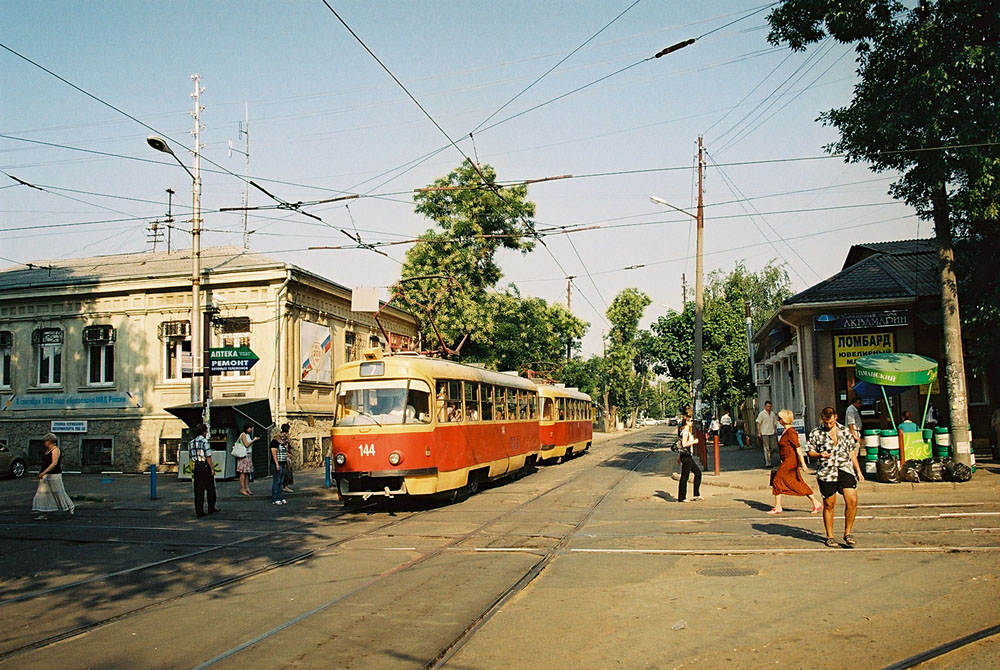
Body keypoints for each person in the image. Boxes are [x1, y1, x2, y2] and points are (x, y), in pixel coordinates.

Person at [806, 406, 863, 548]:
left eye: (830, 422)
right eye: (826, 423)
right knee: (829, 504)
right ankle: (830, 536)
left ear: (835, 417)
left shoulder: (844, 431)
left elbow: (851, 452)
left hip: (845, 469)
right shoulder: (816, 433)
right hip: (827, 472)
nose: (828, 425)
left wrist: (858, 471)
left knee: (852, 500)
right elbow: (809, 451)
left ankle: (848, 532)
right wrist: (819, 455)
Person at [768, 410, 821, 515]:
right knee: (795, 481)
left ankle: (778, 507)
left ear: (783, 420)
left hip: (791, 461)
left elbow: (798, 448)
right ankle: (816, 502)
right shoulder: (785, 431)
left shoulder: (791, 432)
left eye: (780, 418)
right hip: (786, 460)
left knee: (777, 479)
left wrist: (804, 464)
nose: (778, 420)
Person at [32, 433, 75, 520]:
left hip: (54, 474)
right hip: (45, 475)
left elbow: (54, 463)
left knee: (58, 492)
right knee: (43, 494)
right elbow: (45, 463)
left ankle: (70, 508)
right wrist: (40, 472)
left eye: (46, 441)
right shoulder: (47, 451)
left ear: (50, 441)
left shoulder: (56, 450)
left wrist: (44, 472)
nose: (45, 443)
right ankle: (43, 513)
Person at [189, 423, 219, 517]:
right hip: (205, 465)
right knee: (210, 488)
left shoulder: (192, 442)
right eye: (206, 431)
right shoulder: (204, 442)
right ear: (204, 432)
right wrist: (212, 469)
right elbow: (208, 456)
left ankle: (199, 510)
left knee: (198, 490)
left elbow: (191, 456)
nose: (206, 433)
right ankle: (211, 507)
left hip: (197, 466)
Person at [675, 416, 703, 503]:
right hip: (686, 457)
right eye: (691, 421)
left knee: (697, 473)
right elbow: (684, 444)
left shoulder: (685, 431)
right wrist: (694, 442)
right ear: (686, 422)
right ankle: (682, 497)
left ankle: (696, 494)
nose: (692, 422)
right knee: (685, 476)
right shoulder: (685, 432)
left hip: (686, 456)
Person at [270, 424, 290, 505]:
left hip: (283, 462)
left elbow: (284, 451)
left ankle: (280, 496)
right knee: (277, 480)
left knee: (281, 481)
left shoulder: (281, 442)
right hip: (277, 463)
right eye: (280, 433)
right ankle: (275, 498)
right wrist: (277, 464)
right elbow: (274, 454)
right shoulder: (274, 442)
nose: (282, 434)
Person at [235, 424, 257, 496]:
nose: (251, 429)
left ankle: (247, 488)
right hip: (243, 455)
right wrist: (254, 440)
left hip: (248, 455)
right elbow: (246, 444)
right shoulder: (243, 435)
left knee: (247, 472)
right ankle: (242, 488)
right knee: (243, 472)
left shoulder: (247, 435)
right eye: (250, 428)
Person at [756, 401, 778, 468]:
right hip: (764, 432)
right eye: (768, 406)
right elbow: (758, 423)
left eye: (770, 406)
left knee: (774, 447)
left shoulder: (772, 413)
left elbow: (775, 423)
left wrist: (775, 430)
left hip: (771, 432)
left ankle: (766, 457)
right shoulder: (762, 414)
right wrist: (759, 432)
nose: (769, 408)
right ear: (765, 406)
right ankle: (768, 463)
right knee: (766, 448)